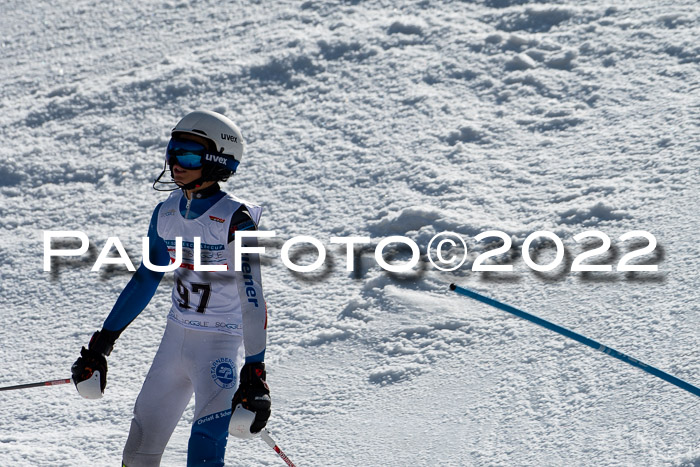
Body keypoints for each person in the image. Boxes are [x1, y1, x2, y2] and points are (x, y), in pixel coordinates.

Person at [71, 110, 271, 467]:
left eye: (190, 154)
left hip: (219, 346)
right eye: (173, 150)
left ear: (216, 160)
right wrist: (101, 344)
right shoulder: (165, 213)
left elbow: (252, 298)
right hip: (174, 342)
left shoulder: (235, 220)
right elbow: (147, 277)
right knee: (138, 450)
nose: (176, 162)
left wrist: (255, 370)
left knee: (204, 451)